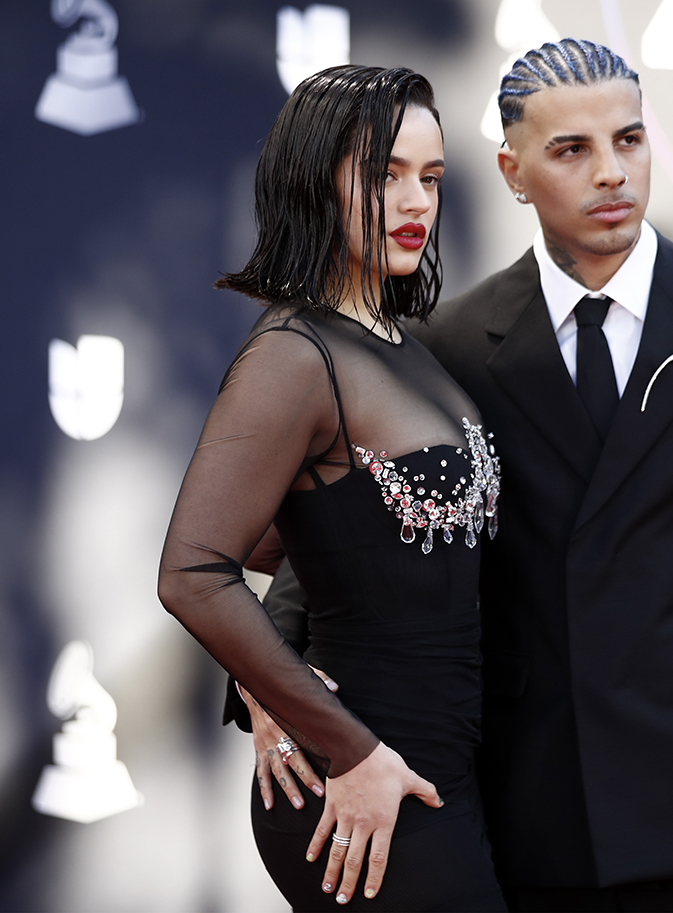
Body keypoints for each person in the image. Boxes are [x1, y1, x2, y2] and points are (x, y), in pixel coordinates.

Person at [243, 39, 673, 913]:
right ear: (513, 171)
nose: (611, 172)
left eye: (631, 140)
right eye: (572, 150)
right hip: (526, 792)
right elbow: (342, 537)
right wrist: (271, 683)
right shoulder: (447, 345)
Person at [159, 64, 505, 912]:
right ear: (314, 185)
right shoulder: (294, 354)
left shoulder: (398, 344)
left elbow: (313, 533)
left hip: (437, 764)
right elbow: (193, 571)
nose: (416, 201)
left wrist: (274, 682)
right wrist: (339, 741)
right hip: (365, 784)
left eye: (430, 176)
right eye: (383, 175)